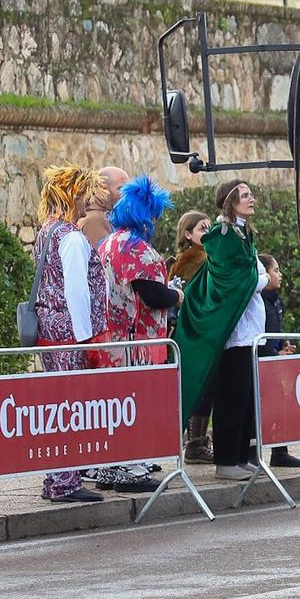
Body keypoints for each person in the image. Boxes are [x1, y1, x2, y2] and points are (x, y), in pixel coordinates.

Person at [86, 175, 179, 494]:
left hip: (109, 340)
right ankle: (131, 469)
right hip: (134, 344)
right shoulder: (135, 248)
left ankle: (111, 465)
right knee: (132, 404)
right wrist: (176, 296)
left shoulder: (110, 242)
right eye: (153, 215)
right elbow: (153, 295)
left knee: (112, 405)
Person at [173, 180, 266, 481]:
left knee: (246, 398)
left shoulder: (240, 233)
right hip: (234, 333)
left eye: (250, 193)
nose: (251, 198)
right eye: (244, 195)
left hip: (248, 332)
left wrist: (258, 275)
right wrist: (261, 279)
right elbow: (236, 280)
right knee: (231, 398)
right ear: (230, 201)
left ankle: (240, 456)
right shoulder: (224, 235)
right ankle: (226, 460)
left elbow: (251, 272)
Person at [31, 165, 108, 503]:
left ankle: (57, 477)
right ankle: (65, 482)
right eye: (84, 193)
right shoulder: (72, 237)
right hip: (68, 334)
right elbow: (77, 291)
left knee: (56, 404)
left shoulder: (47, 231)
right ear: (73, 194)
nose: (87, 200)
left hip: (49, 329)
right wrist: (87, 338)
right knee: (69, 406)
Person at [255, 255, 300, 470]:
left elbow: (277, 329)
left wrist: (285, 344)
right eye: (276, 270)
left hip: (274, 360)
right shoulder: (260, 301)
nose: (280, 274)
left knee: (280, 405)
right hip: (261, 362)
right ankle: (253, 453)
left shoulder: (275, 300)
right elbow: (259, 337)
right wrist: (274, 354)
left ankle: (280, 451)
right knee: (261, 408)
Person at [169, 209, 213, 463]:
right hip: (197, 332)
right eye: (202, 229)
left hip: (188, 333)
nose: (208, 233)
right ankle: (195, 443)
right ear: (188, 234)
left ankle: (195, 441)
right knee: (202, 387)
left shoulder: (182, 261)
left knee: (200, 387)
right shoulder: (199, 261)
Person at [79, 166, 131, 249]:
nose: (127, 194)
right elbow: (106, 259)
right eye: (121, 189)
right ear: (103, 190)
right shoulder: (94, 220)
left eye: (129, 189)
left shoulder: (108, 214)